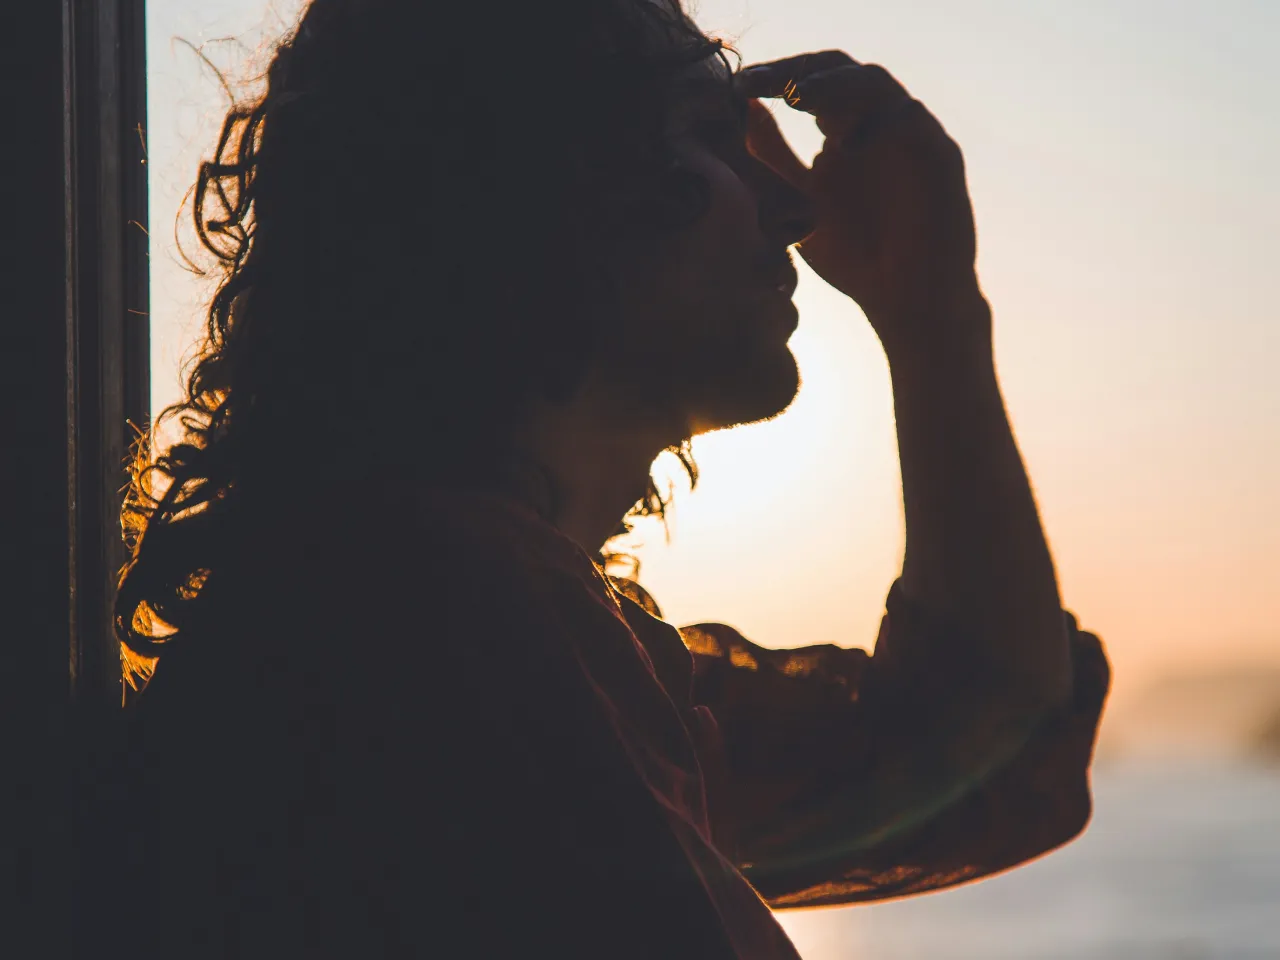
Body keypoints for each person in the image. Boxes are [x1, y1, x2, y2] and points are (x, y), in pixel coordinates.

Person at [79, 0, 1109, 955]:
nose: (791, 202)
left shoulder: (486, 618)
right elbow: (980, 749)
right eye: (708, 133)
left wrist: (929, 311)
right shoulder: (429, 623)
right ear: (536, 178)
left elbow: (980, 758)